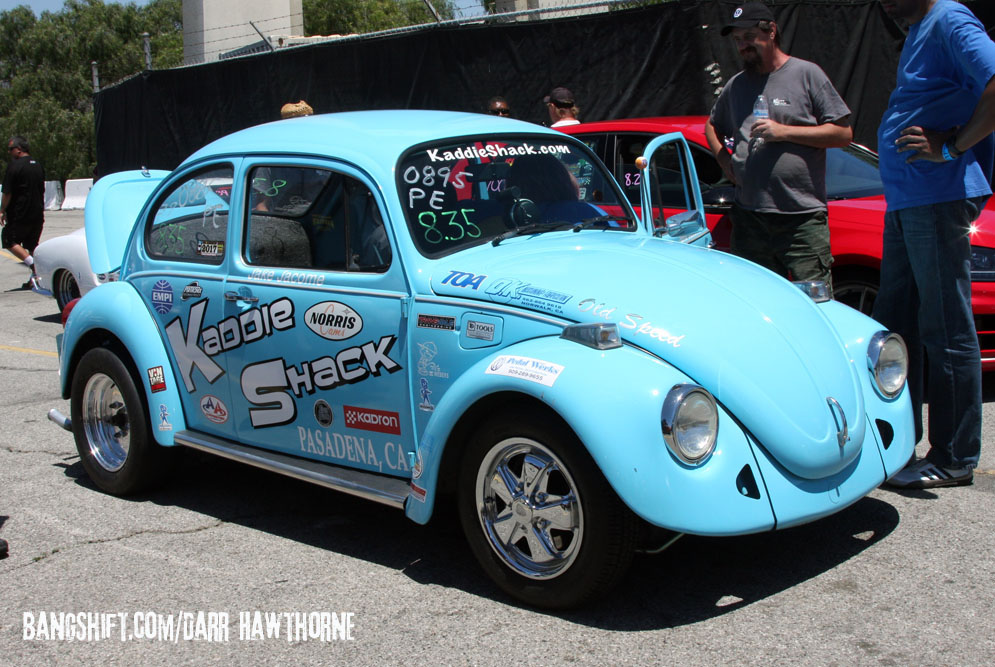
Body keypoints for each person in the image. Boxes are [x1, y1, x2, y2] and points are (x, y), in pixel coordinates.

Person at [875, 0, 995, 489]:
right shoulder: (921, 30)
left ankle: (953, 456)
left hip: (937, 196)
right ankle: (900, 443)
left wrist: (953, 145)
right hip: (908, 199)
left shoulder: (948, 19)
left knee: (944, 326)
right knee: (896, 325)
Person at [704, 2, 852, 291]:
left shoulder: (806, 74)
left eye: (748, 37)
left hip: (801, 220)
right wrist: (724, 159)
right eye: (737, 41)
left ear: (771, 32)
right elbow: (712, 125)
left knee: (815, 303)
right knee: (757, 301)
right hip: (750, 218)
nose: (742, 46)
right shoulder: (737, 86)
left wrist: (783, 132)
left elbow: (843, 133)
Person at [1, 136, 46, 289]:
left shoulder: (14, 166)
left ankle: (33, 264)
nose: (9, 152)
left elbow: (7, 193)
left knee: (8, 239)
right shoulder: (38, 165)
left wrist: (2, 210)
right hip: (38, 212)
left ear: (19, 149)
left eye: (11, 149)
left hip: (20, 213)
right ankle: (36, 279)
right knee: (32, 245)